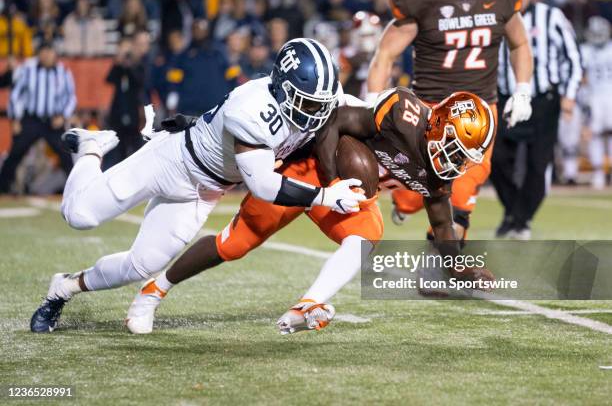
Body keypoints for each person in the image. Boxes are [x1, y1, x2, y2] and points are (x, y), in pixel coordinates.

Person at [29, 38, 365, 333]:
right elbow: (263, 185)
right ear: (281, 87)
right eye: (306, 102)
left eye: (320, 102)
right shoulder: (252, 109)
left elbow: (363, 110)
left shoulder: (322, 100)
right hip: (173, 161)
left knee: (142, 265)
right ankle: (91, 148)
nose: (315, 112)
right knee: (79, 215)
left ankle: (64, 287)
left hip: (205, 191)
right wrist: (324, 196)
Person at [125, 88, 496, 335]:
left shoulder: (437, 174)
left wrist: (459, 269)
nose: (456, 160)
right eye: (455, 147)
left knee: (366, 237)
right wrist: (331, 183)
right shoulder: (401, 114)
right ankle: (156, 288)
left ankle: (307, 305)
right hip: (309, 168)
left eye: (464, 155)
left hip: (348, 192)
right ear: (436, 124)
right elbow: (332, 123)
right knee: (234, 244)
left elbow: (443, 223)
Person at [367, 0, 533, 241]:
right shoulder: (423, 4)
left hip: (478, 113)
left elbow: (519, 43)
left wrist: (523, 90)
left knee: (461, 196)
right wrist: (373, 103)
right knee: (415, 189)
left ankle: (439, 267)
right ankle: (405, 204)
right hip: (430, 109)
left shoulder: (501, 2)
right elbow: (385, 54)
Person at [492, 0, 583, 239]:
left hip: (543, 99)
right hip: (504, 97)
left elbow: (572, 56)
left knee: (538, 163)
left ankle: (520, 220)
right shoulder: (495, 11)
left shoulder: (551, 16)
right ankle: (514, 212)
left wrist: (569, 95)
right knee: (496, 158)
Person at [0, 42, 76, 193]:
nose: (47, 55)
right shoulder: (27, 69)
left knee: (66, 155)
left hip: (53, 121)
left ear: (55, 53)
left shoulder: (63, 71)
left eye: (50, 51)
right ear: (39, 53)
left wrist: (63, 116)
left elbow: (71, 97)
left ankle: (77, 189)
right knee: (16, 152)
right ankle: (3, 188)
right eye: (44, 51)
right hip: (31, 120)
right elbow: (15, 94)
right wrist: (15, 119)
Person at [103, 36, 147, 169]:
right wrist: (118, 61)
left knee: (136, 149)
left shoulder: (139, 65)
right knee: (116, 151)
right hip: (118, 113)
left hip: (133, 113)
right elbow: (109, 79)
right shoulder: (119, 67)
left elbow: (139, 81)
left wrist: (130, 64)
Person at [582, 16, 612, 189]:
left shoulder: (585, 50)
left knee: (596, 136)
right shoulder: (586, 50)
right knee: (596, 136)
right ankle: (599, 173)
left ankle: (599, 173)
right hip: (598, 96)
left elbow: (582, 78)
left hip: (597, 96)